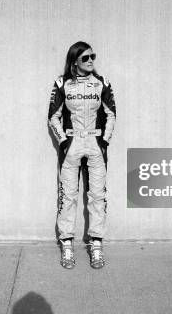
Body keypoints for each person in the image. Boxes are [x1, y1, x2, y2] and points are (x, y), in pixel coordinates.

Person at [48, 41, 116, 269]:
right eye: (86, 58)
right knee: (68, 196)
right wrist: (64, 142)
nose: (91, 61)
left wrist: (103, 142)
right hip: (72, 145)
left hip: (95, 146)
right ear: (75, 60)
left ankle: (96, 245)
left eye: (92, 57)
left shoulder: (102, 84)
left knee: (97, 196)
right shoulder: (62, 84)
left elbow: (111, 114)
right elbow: (53, 117)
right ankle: (67, 245)